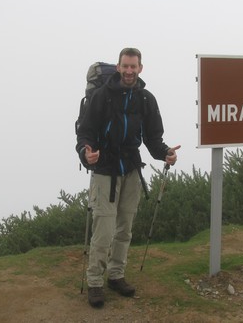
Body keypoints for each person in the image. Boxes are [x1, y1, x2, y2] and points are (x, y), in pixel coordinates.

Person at [76, 47, 180, 308]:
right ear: (119, 67)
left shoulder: (145, 99)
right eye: (125, 66)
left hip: (131, 168)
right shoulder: (101, 97)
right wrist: (85, 154)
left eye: (134, 66)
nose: (130, 71)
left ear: (140, 68)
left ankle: (116, 275)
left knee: (125, 228)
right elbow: (85, 134)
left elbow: (152, 138)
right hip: (104, 169)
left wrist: (165, 153)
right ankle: (95, 282)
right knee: (104, 230)